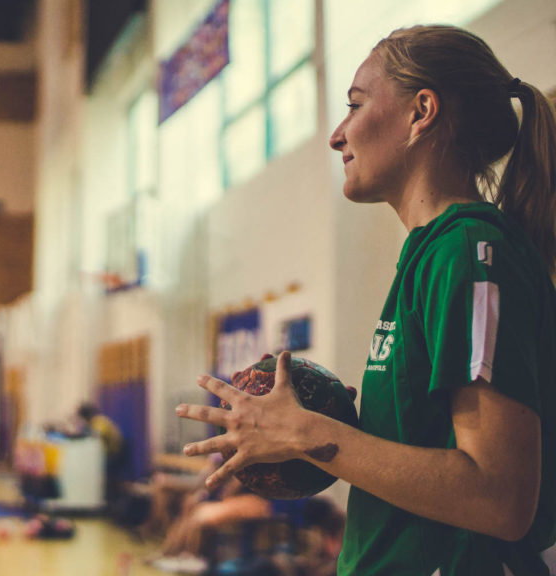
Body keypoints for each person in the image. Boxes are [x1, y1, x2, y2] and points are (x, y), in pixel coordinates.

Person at [176, 24, 556, 575]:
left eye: (355, 105)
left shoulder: (470, 252)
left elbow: (500, 499)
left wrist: (308, 433)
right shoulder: (431, 255)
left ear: (421, 112)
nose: (337, 135)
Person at [76, 402, 124, 504]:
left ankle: (101, 498)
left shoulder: (99, 421)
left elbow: (96, 436)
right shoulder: (95, 422)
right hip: (106, 455)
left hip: (112, 456)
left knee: (89, 468)